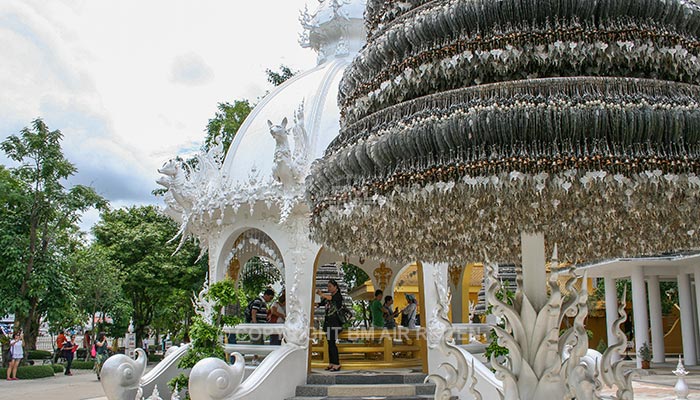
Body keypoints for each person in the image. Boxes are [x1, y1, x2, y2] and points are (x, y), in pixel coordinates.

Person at [316, 279, 343, 372]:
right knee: (329, 343)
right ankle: (331, 363)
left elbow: (331, 299)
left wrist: (321, 294)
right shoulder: (329, 297)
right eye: (328, 286)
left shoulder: (338, 296)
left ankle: (336, 364)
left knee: (332, 344)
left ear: (335, 287)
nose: (329, 288)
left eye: (330, 286)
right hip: (328, 323)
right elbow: (322, 303)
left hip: (335, 323)